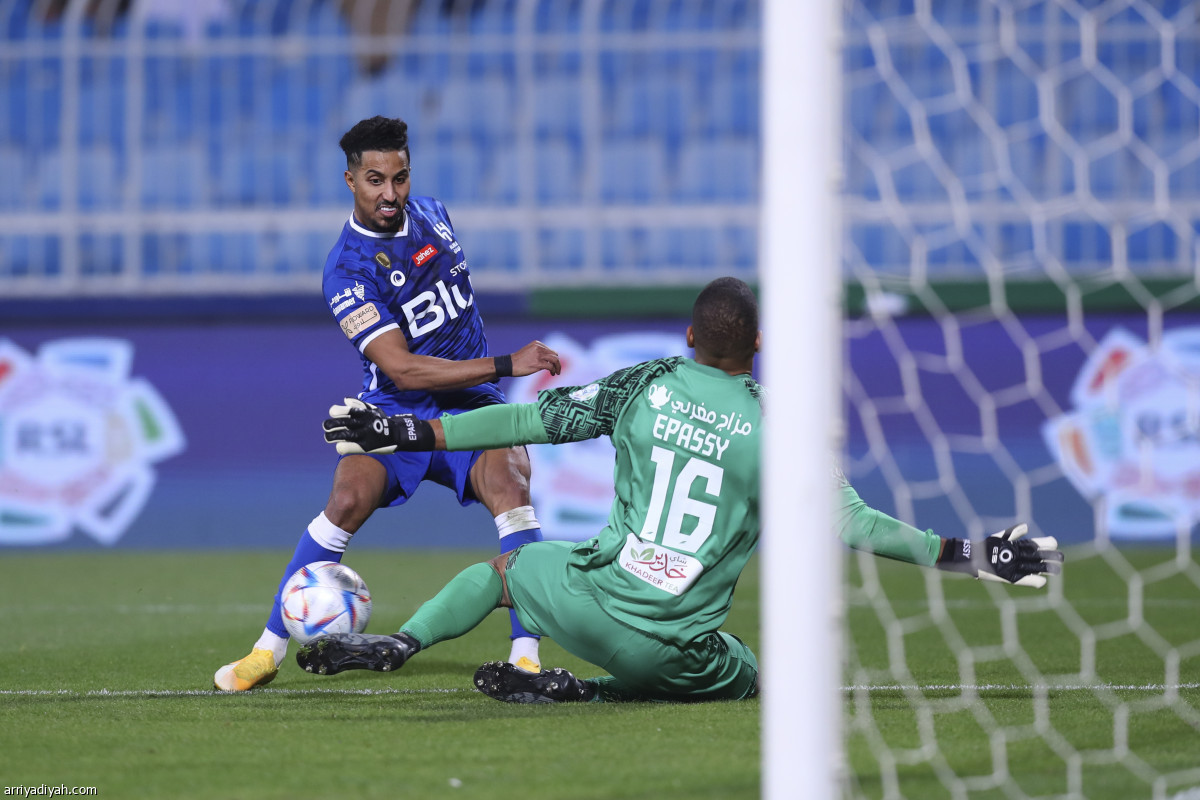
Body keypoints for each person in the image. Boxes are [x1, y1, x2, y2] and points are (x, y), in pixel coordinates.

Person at [297, 277, 1063, 703]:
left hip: (585, 600)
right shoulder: (778, 426)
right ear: (759, 347)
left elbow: (527, 416)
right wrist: (979, 555)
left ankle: (403, 641)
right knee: (750, 674)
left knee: (505, 573)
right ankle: (588, 695)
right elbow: (856, 527)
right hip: (668, 647)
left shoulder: (645, 385)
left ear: (690, 338)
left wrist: (407, 434)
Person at [213, 116, 561, 692]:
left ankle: (525, 657)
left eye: (399, 178)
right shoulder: (345, 269)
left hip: (472, 402)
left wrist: (492, 379)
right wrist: (507, 362)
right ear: (350, 179)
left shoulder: (434, 214)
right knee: (346, 499)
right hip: (396, 405)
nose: (390, 194)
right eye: (375, 180)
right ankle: (265, 652)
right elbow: (400, 366)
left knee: (512, 491)